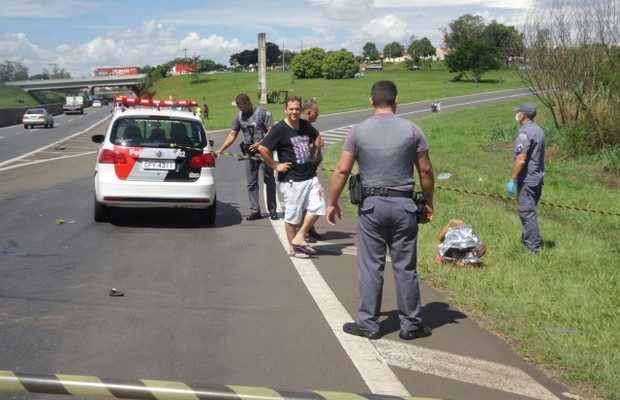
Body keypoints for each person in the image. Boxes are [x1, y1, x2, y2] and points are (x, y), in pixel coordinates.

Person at [326, 80, 435, 340]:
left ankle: (369, 324)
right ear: (396, 100)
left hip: (372, 206)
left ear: (371, 101)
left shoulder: (357, 131)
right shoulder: (413, 130)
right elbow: (426, 171)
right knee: (405, 266)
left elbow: (342, 169)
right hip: (404, 205)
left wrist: (332, 202)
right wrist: (428, 201)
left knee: (371, 265)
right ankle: (411, 325)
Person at [257, 96, 325, 259]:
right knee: (293, 216)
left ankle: (300, 236)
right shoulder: (279, 129)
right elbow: (262, 148)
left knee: (319, 205)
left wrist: (313, 153)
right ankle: (293, 249)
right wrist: (275, 165)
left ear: (301, 110)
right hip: (292, 180)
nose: (294, 112)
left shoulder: (305, 125)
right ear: (286, 110)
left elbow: (317, 137)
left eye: (297, 109)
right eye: (291, 109)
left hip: (309, 176)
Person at [215, 94, 278, 221]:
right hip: (250, 152)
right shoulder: (239, 117)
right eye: (238, 108)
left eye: (241, 107)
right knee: (251, 183)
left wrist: (260, 144)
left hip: (264, 151)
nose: (240, 110)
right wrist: (220, 150)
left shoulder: (263, 113)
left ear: (248, 103)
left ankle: (272, 210)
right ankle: (255, 210)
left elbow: (272, 131)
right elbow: (232, 135)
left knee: (269, 180)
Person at [506, 103, 545, 254]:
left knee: (527, 213)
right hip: (537, 178)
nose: (517, 114)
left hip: (528, 180)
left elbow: (521, 158)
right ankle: (528, 239)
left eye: (519, 112)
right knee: (529, 210)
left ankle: (532, 249)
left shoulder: (525, 133)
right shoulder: (538, 130)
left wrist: (513, 179)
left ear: (523, 115)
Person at [300, 99, 324, 240]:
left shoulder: (307, 125)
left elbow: (319, 141)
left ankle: (308, 229)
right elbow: (317, 142)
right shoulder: (302, 125)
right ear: (309, 112)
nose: (317, 115)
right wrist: (313, 149)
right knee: (308, 200)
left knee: (309, 201)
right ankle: (302, 231)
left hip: (310, 168)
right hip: (304, 170)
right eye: (316, 113)